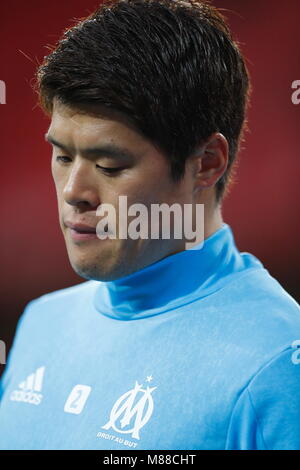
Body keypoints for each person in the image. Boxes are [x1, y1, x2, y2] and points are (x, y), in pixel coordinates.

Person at [0, 0, 299, 451]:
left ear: (206, 164)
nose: (73, 191)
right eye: (62, 156)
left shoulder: (277, 364)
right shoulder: (41, 322)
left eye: (109, 164)